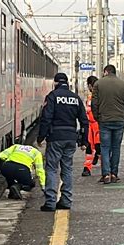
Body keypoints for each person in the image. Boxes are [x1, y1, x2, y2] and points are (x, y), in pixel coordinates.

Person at [37, 73, 88, 212]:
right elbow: (84, 120)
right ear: (67, 83)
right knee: (67, 169)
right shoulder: (75, 98)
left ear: (55, 83)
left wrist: (40, 137)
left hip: (55, 138)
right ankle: (66, 200)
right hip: (71, 138)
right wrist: (84, 141)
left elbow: (46, 118)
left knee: (52, 169)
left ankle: (50, 202)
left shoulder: (52, 96)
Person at [91, 65, 124, 184]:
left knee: (105, 148)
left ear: (105, 72)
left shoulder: (98, 84)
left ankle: (106, 175)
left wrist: (97, 117)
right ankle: (114, 174)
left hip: (104, 120)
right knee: (116, 147)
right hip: (119, 120)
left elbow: (94, 103)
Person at [82, 76, 101, 177]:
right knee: (89, 147)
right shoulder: (91, 96)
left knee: (99, 148)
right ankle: (87, 168)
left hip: (97, 124)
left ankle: (106, 170)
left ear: (89, 85)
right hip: (91, 125)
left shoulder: (98, 96)